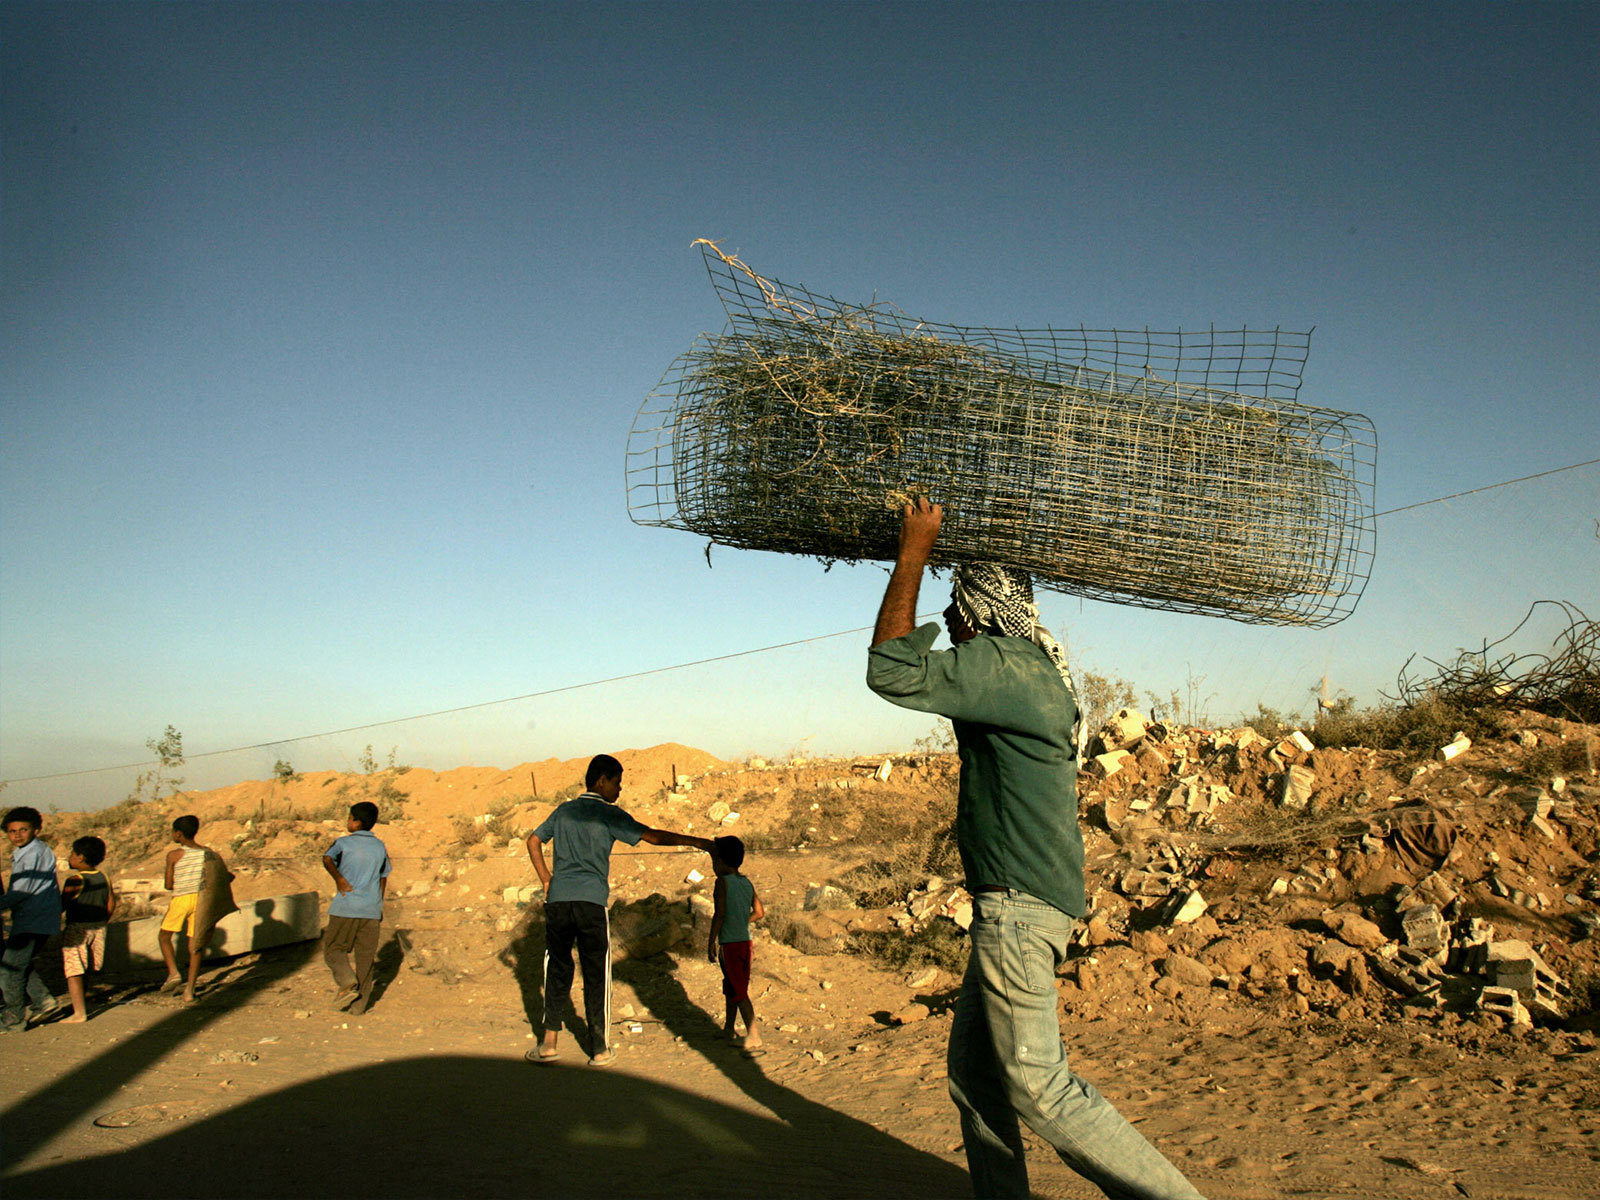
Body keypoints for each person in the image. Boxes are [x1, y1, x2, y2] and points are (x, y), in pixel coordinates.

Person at [866, 498, 1205, 1200]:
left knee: (1040, 1087)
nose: (952, 621)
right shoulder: (1021, 667)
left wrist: (912, 553)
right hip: (1022, 902)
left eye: (957, 605)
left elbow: (891, 670)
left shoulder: (1004, 664)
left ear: (982, 608)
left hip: (1019, 908)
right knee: (977, 1076)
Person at [525, 753, 714, 1066]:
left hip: (558, 901)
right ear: (601, 781)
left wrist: (547, 880)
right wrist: (698, 842)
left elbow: (533, 841)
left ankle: (548, 1044)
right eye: (617, 782)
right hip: (591, 902)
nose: (620, 789)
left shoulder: (564, 811)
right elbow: (652, 836)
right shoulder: (608, 814)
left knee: (557, 968)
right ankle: (599, 1048)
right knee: (596, 970)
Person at [321, 801, 391, 1015]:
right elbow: (383, 876)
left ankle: (347, 981)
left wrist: (339, 879)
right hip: (371, 909)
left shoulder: (343, 843)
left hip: (346, 906)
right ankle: (359, 1006)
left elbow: (326, 858)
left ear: (356, 822)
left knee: (333, 949)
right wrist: (377, 903)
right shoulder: (380, 846)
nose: (348, 822)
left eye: (350, 818)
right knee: (365, 959)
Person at [158, 815, 237, 1002]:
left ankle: (174, 973)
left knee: (164, 936)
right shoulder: (209, 854)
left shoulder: (174, 855)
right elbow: (227, 877)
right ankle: (190, 991)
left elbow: (169, 885)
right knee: (196, 945)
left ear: (178, 834)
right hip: (203, 900)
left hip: (182, 899)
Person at [1, 806, 63, 1031]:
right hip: (37, 917)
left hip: (33, 918)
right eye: (12, 831)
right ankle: (44, 1001)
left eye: (23, 829)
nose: (17, 835)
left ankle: (14, 1019)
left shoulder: (32, 854)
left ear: (36, 829)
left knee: (9, 969)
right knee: (19, 963)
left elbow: (21, 892)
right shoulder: (30, 851)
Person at [707, 834, 765, 1051]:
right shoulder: (746, 883)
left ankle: (753, 1034)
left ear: (720, 861)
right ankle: (729, 1028)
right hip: (745, 942)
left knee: (738, 990)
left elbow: (719, 914)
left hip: (729, 943)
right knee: (732, 985)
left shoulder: (722, 883)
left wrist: (711, 940)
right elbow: (759, 912)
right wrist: (742, 920)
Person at [60, 835, 117, 1024]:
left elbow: (62, 905)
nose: (70, 857)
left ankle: (79, 1013)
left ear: (80, 857)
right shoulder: (104, 876)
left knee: (74, 970)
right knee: (87, 969)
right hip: (98, 928)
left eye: (72, 853)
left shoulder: (75, 880)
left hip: (78, 929)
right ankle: (81, 1004)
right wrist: (102, 921)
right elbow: (111, 903)